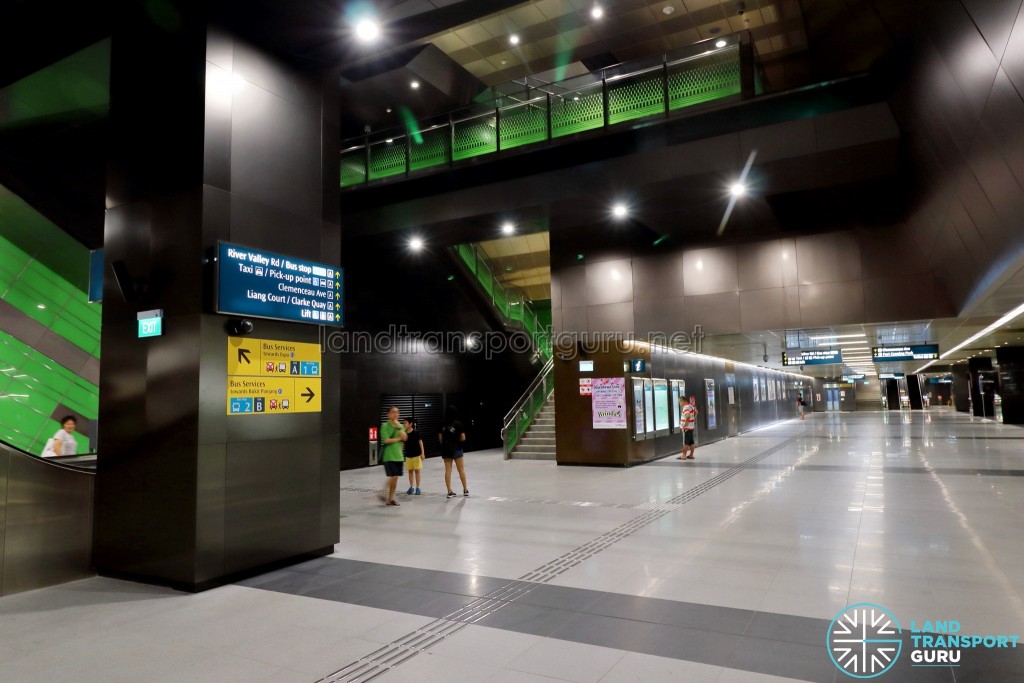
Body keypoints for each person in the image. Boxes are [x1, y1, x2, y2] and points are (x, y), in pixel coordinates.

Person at [379, 406, 407, 506]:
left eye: (397, 412)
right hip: (389, 456)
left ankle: (390, 499)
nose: (396, 414)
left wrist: (398, 427)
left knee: (395, 478)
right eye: (393, 412)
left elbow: (405, 438)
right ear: (388, 414)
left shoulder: (400, 425)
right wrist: (398, 439)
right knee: (394, 476)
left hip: (399, 456)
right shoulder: (384, 426)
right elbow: (386, 440)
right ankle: (384, 493)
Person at [439, 410, 468, 497]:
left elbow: (440, 438)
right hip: (457, 449)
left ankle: (449, 491)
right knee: (461, 470)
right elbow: (463, 438)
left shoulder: (442, 424)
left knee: (448, 470)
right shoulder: (458, 424)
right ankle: (465, 490)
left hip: (446, 450)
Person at [403, 417, 424, 495]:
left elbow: (420, 442)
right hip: (408, 455)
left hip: (416, 455)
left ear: (410, 424)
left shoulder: (416, 432)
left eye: (405, 423)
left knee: (417, 471)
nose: (404, 424)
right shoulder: (404, 433)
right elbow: (403, 444)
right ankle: (411, 487)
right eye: (403, 423)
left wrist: (422, 453)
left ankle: (418, 487)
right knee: (410, 471)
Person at [678, 396, 697, 460]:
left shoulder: (685, 407)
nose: (680, 404)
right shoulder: (691, 406)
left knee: (685, 442)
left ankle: (683, 455)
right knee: (691, 442)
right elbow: (696, 412)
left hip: (687, 428)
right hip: (691, 427)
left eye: (680, 402)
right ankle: (691, 455)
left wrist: (685, 424)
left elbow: (688, 416)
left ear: (683, 401)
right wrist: (693, 419)